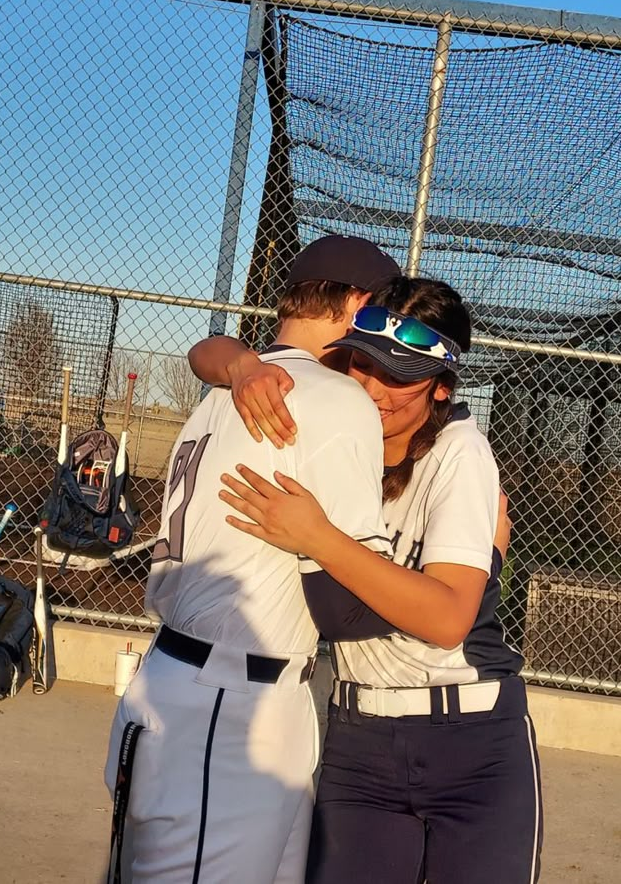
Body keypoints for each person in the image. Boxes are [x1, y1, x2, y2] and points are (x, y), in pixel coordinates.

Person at [190, 274, 542, 884]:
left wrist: (318, 538)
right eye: (366, 365)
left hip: (471, 742)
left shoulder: (459, 452)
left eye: (402, 376)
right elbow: (206, 353)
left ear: (440, 389)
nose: (376, 390)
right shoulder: (339, 430)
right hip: (358, 738)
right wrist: (244, 364)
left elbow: (447, 619)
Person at [103, 235, 401, 884]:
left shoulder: (228, 387)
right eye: (379, 311)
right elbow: (354, 604)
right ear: (354, 303)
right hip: (228, 713)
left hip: (199, 688)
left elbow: (205, 353)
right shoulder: (335, 398)